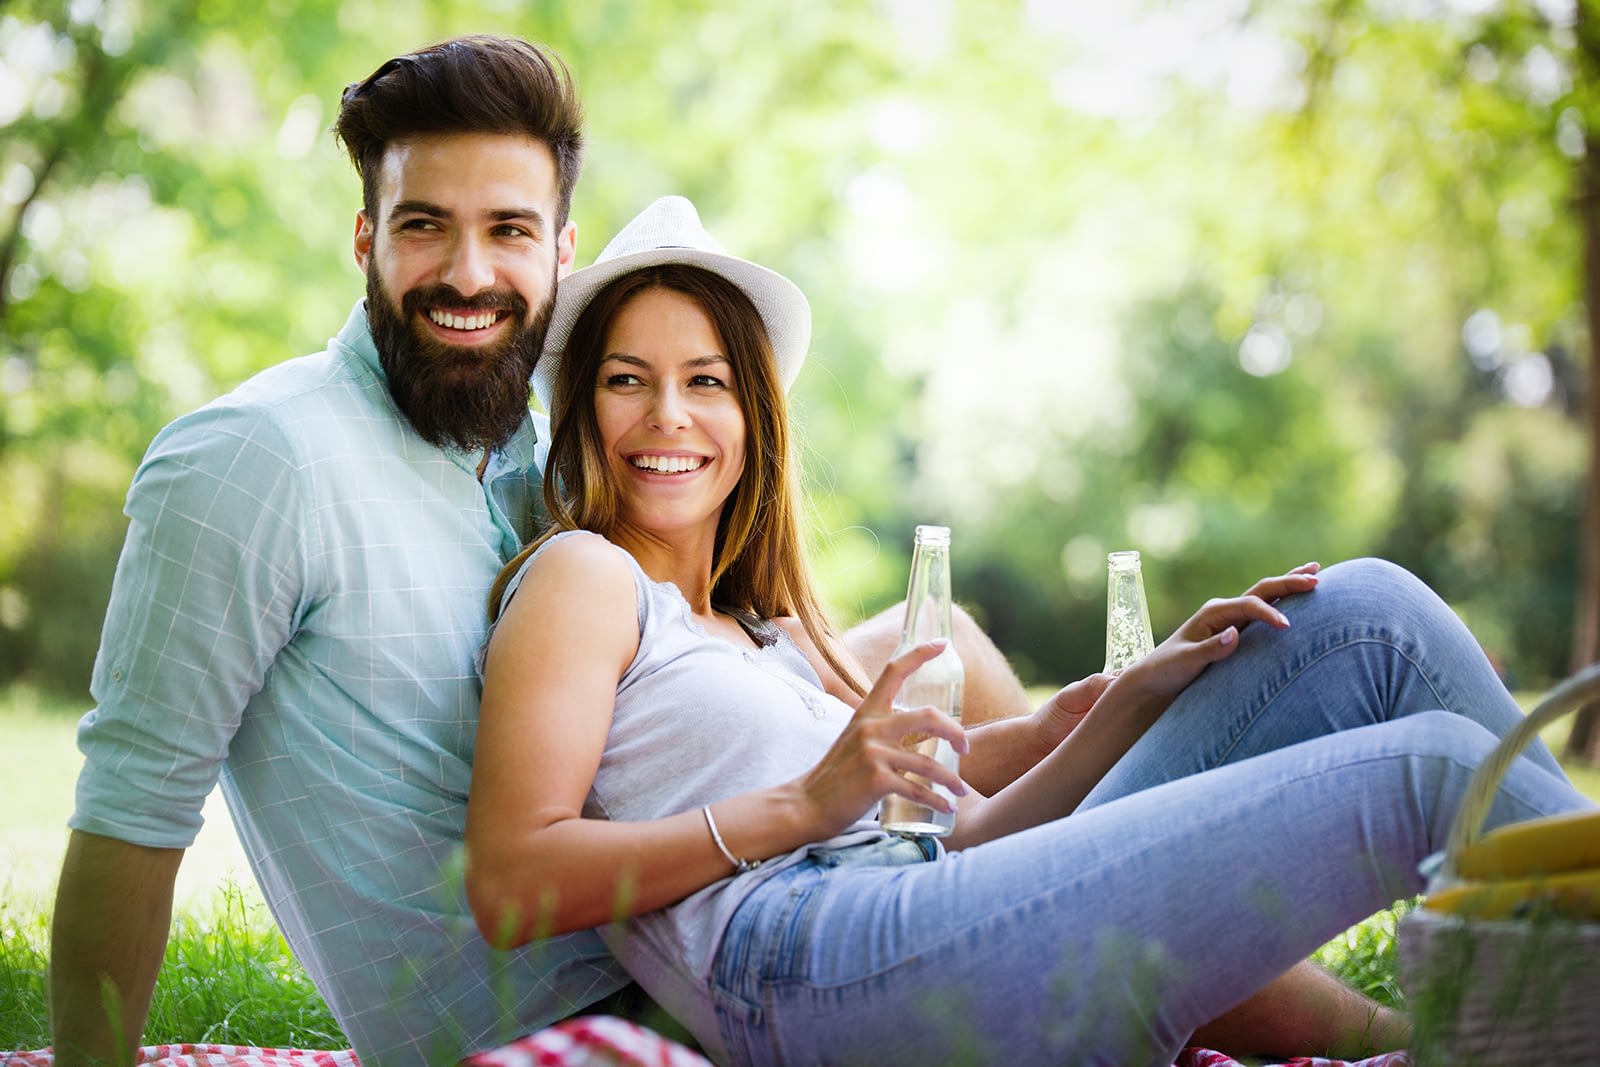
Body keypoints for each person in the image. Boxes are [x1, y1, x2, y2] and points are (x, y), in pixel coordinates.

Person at [465, 194, 1596, 1067]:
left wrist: (1119, 701)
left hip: (914, 916)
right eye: (628, 379)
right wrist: (801, 804)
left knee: (1367, 618)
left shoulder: (756, 631)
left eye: (704, 379)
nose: (668, 414)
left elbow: (968, 844)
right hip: (803, 967)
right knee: (1429, 773)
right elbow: (512, 877)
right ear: (584, 411)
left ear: (750, 417)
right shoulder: (584, 576)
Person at [48, 35, 627, 1067]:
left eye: (508, 230)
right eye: (424, 226)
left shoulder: (569, 452)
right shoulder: (259, 460)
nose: (467, 272)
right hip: (573, 1037)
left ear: (561, 251)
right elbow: (131, 814)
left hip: (713, 962)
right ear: (364, 238)